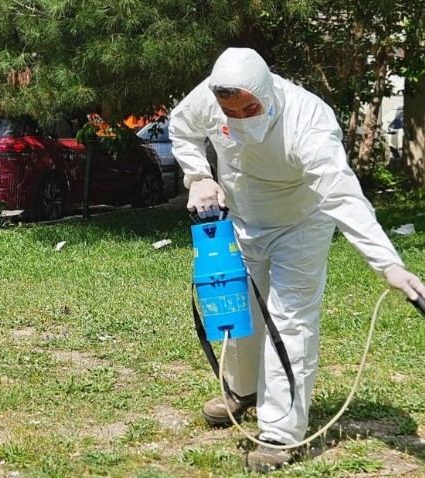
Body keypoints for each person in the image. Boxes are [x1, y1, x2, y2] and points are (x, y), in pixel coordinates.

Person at [169, 47, 425, 472]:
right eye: (230, 110)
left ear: (268, 91)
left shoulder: (309, 120)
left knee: (289, 320)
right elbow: (181, 127)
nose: (240, 116)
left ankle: (279, 432)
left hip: (299, 226)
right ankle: (242, 388)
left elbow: (342, 195)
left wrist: (389, 265)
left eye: (250, 108)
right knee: (240, 309)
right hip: (239, 220)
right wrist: (198, 176)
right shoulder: (208, 98)